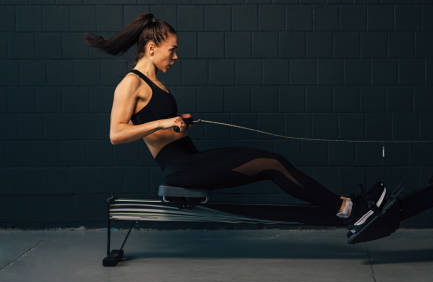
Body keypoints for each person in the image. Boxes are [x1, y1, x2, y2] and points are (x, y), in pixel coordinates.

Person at [84, 12, 387, 235]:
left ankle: (347, 205)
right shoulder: (130, 83)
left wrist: (177, 125)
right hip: (180, 171)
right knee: (272, 164)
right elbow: (116, 134)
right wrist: (164, 121)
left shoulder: (156, 83)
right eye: (172, 50)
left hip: (192, 160)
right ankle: (348, 209)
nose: (175, 56)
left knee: (272, 161)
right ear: (151, 48)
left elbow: (157, 128)